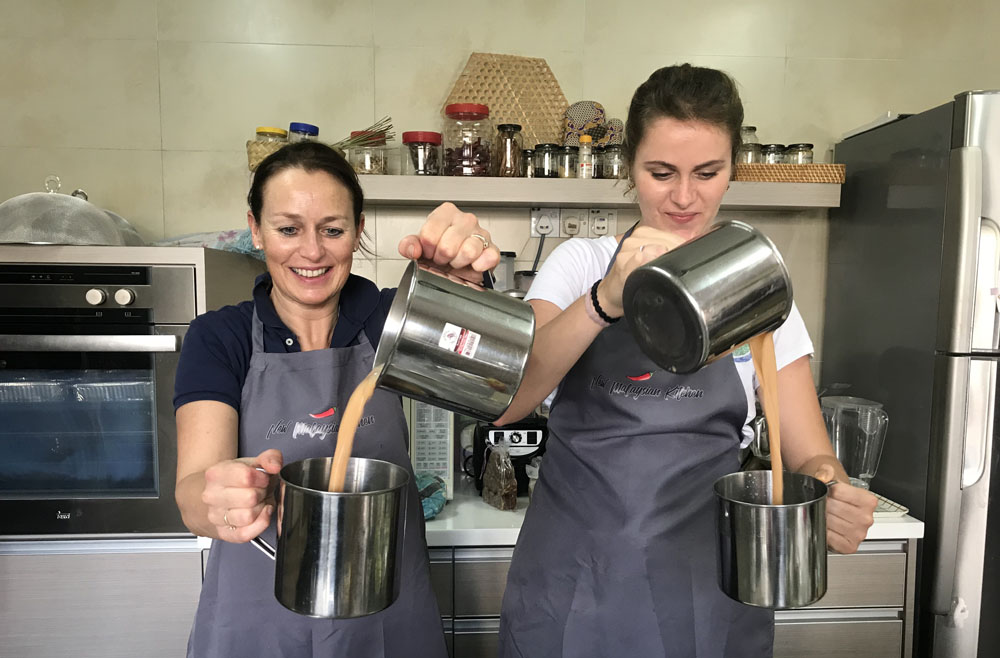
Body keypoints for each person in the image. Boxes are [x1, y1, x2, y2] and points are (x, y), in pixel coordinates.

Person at [478, 64, 875, 657]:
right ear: (629, 167)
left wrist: (829, 489)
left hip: (707, 584)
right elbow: (511, 402)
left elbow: (811, 450)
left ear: (732, 170)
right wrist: (605, 300)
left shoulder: (761, 292)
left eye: (707, 173)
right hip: (574, 579)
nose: (684, 197)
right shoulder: (581, 265)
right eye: (661, 173)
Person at [173, 141, 498, 657]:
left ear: (358, 229)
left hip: (387, 614)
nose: (312, 252)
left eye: (332, 229)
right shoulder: (220, 337)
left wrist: (466, 290)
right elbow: (192, 494)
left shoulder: (393, 321)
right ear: (255, 229)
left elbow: (501, 390)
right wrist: (223, 498)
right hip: (258, 620)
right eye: (287, 229)